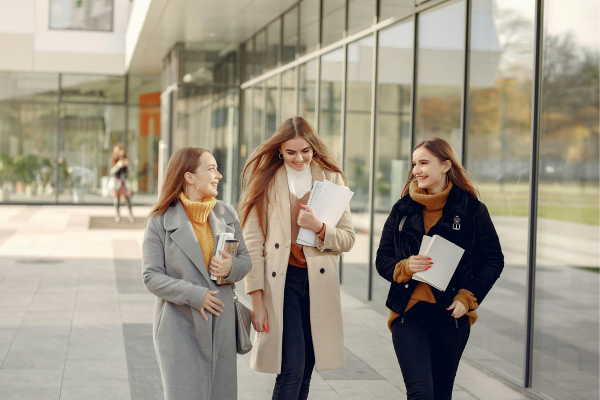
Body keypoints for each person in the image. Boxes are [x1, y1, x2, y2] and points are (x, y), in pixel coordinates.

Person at [375, 137, 504, 400]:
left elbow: (493, 260)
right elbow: (382, 259)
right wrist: (405, 266)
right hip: (408, 314)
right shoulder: (402, 210)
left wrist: (466, 298)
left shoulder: (471, 211)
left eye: (424, 163)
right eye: (414, 163)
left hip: (451, 316)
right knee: (421, 392)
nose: (416, 170)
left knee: (441, 393)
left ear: (445, 166)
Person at [239, 116, 355, 400]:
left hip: (318, 284)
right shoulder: (264, 181)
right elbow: (253, 242)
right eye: (291, 152)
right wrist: (256, 300)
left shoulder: (331, 179)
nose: (299, 158)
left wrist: (320, 228)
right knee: (291, 366)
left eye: (305, 150)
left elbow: (348, 238)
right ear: (280, 150)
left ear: (313, 148)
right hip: (282, 284)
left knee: (306, 367)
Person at [142, 147, 252, 400]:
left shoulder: (227, 214)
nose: (219, 175)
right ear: (190, 177)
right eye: (211, 168)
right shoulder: (159, 221)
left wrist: (231, 268)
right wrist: (195, 294)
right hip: (179, 326)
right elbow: (151, 276)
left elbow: (246, 261)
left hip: (221, 325)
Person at [109, 144, 134, 223]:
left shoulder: (126, 159)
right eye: (120, 150)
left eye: (122, 150)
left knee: (128, 199)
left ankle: (130, 215)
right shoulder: (113, 159)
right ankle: (117, 215)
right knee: (116, 200)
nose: (121, 152)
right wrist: (118, 166)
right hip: (117, 182)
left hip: (124, 182)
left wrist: (128, 165)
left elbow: (131, 171)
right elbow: (111, 172)